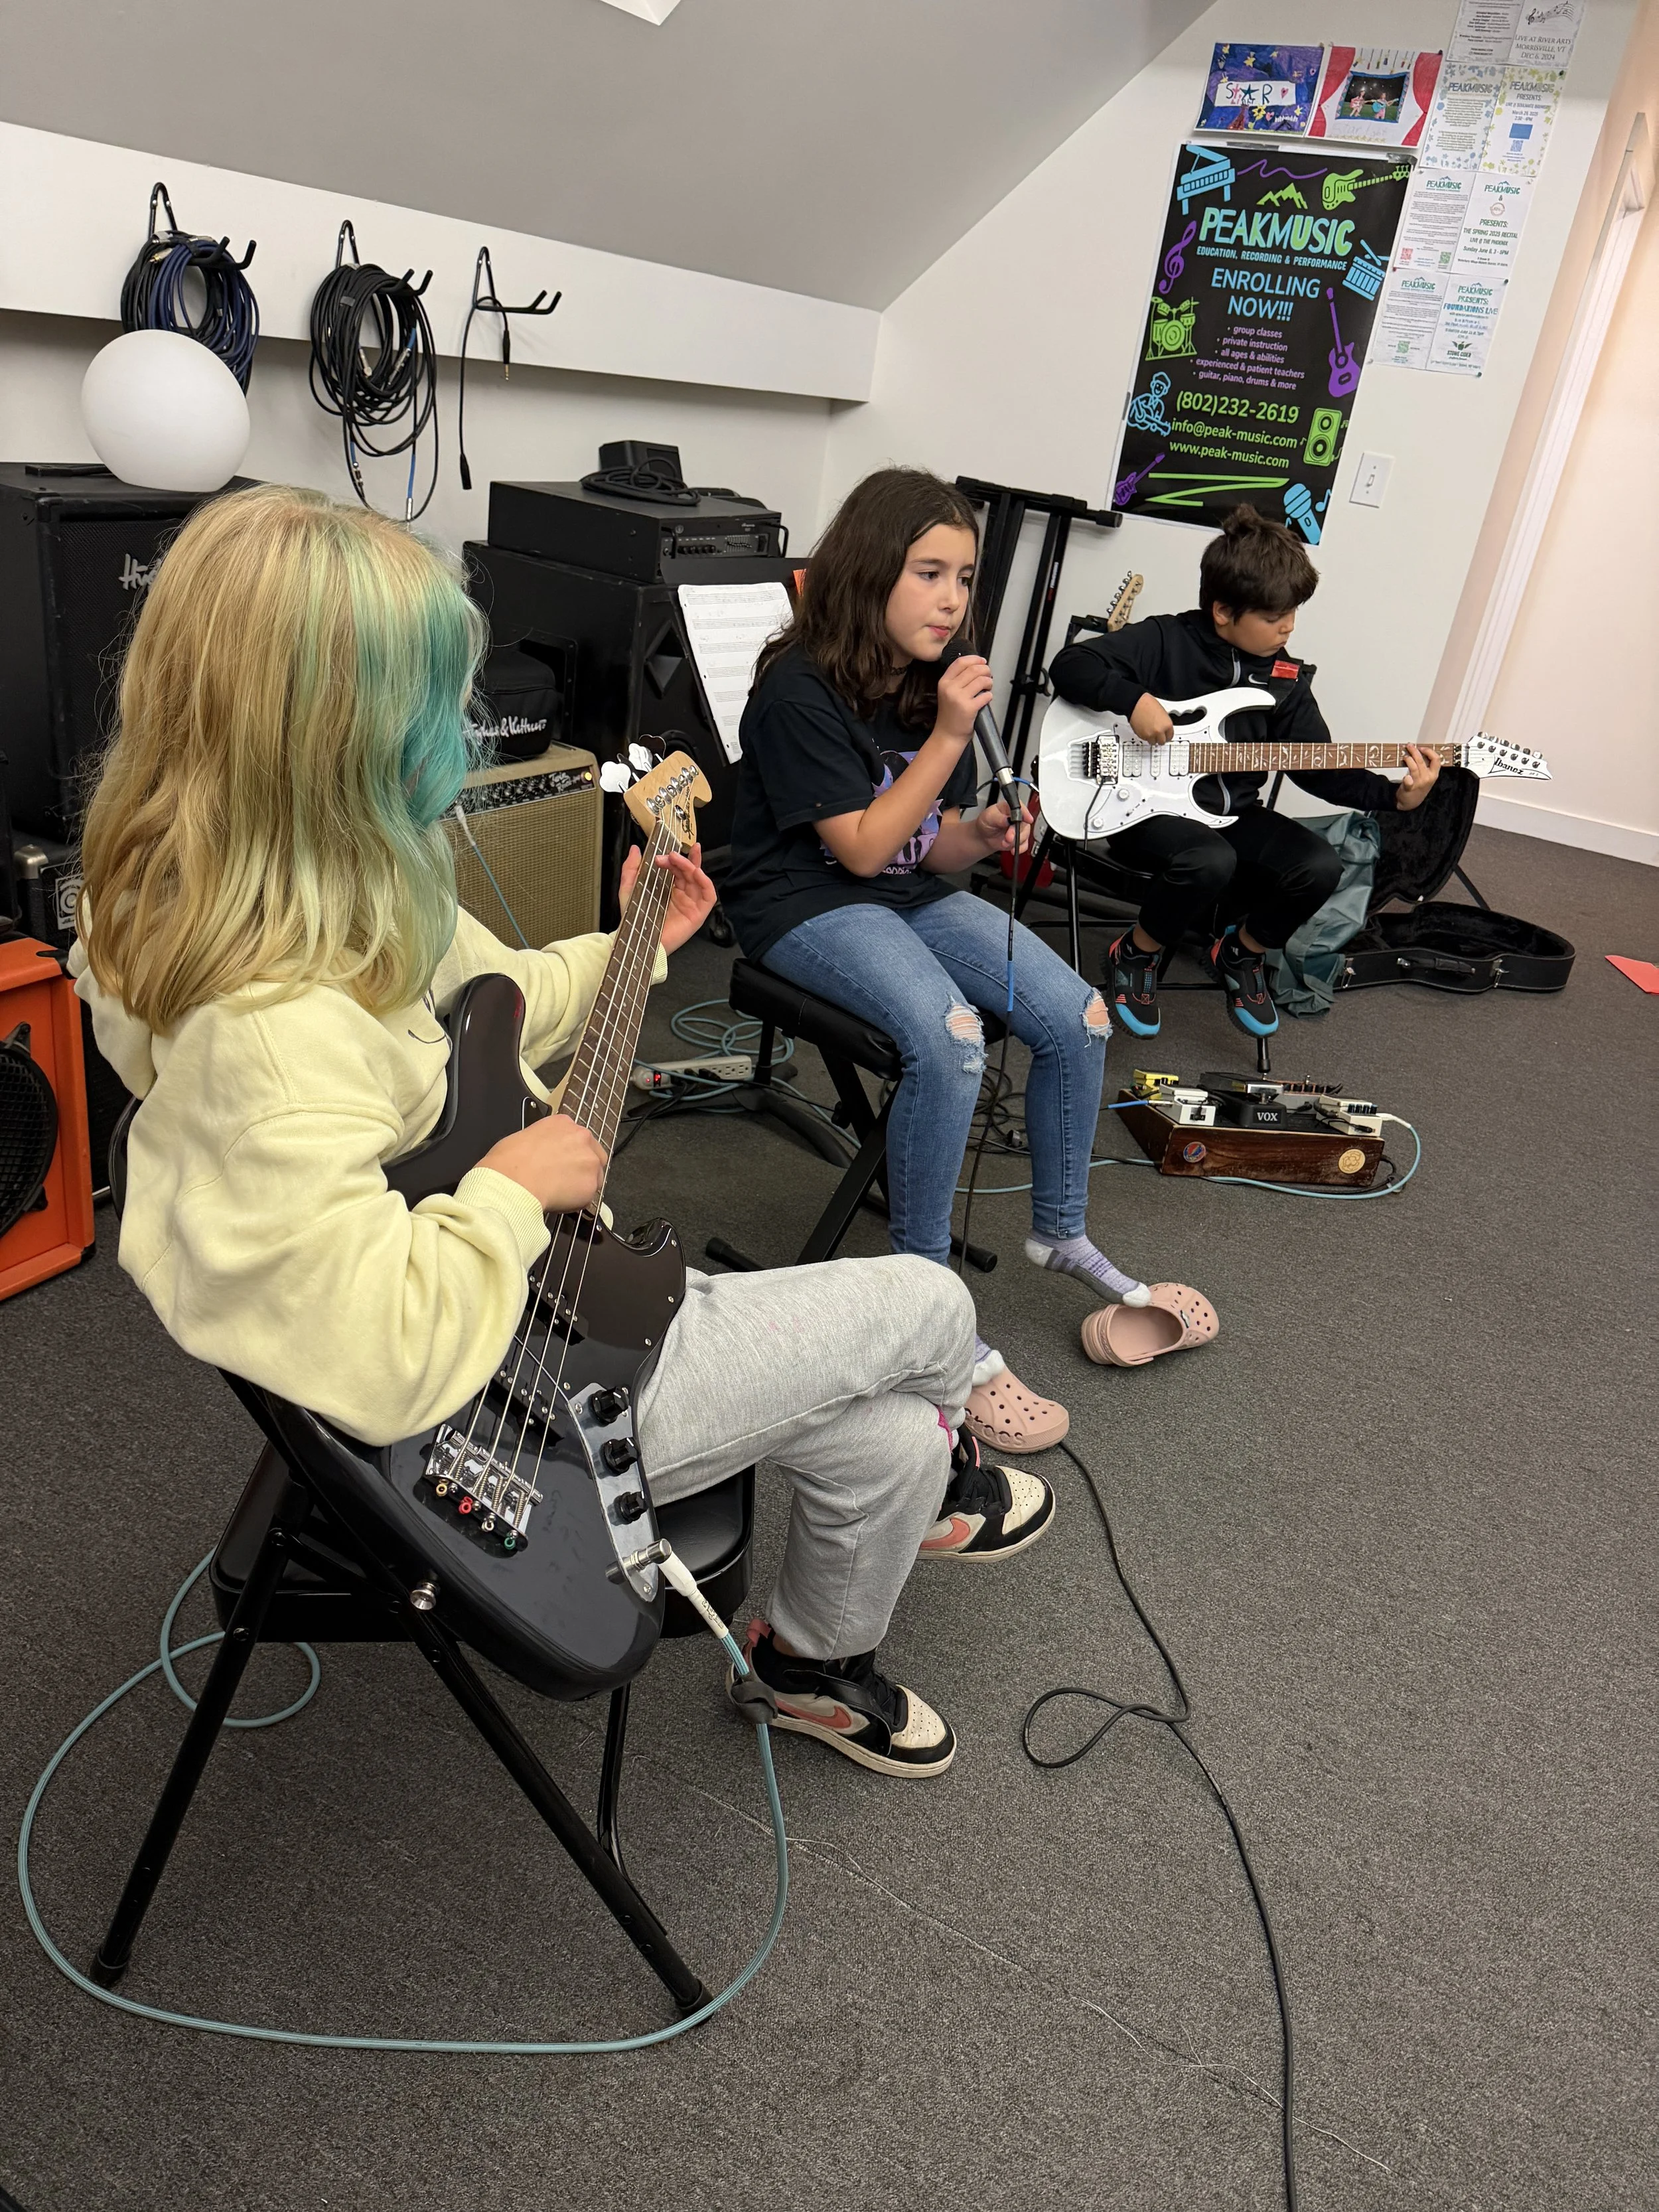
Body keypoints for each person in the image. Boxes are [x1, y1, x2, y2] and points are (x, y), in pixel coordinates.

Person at [71, 484, 1059, 1784]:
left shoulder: (331, 882)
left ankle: (813, 1661)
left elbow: (494, 997)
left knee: (874, 1436)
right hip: (515, 1393)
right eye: (433, 703)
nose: (461, 730)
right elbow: (378, 1348)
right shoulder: (266, 1029)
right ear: (326, 736)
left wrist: (633, 942)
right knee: (928, 1307)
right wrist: (500, 1191)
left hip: (534, 1292)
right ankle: (950, 1470)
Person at [720, 469, 1208, 1457]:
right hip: (798, 904)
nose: (953, 599)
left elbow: (916, 847)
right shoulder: (796, 690)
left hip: (898, 892)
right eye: (929, 573)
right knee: (948, 1043)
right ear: (869, 572)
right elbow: (856, 847)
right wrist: (950, 735)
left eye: (965, 577)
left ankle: (1061, 1232)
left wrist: (981, 834)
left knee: (1080, 1018)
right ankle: (925, 1307)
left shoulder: (910, 677)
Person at [1048, 504, 1441, 1041]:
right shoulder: (1165, 639)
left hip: (1231, 813)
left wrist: (1394, 796)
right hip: (1141, 808)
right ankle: (1136, 953)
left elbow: (1317, 765)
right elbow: (1071, 666)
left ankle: (1243, 950)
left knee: (1320, 864)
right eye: (1275, 615)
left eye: (1295, 612)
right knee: (1210, 859)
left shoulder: (1285, 678)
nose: (1289, 626)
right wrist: (1133, 698)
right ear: (1223, 610)